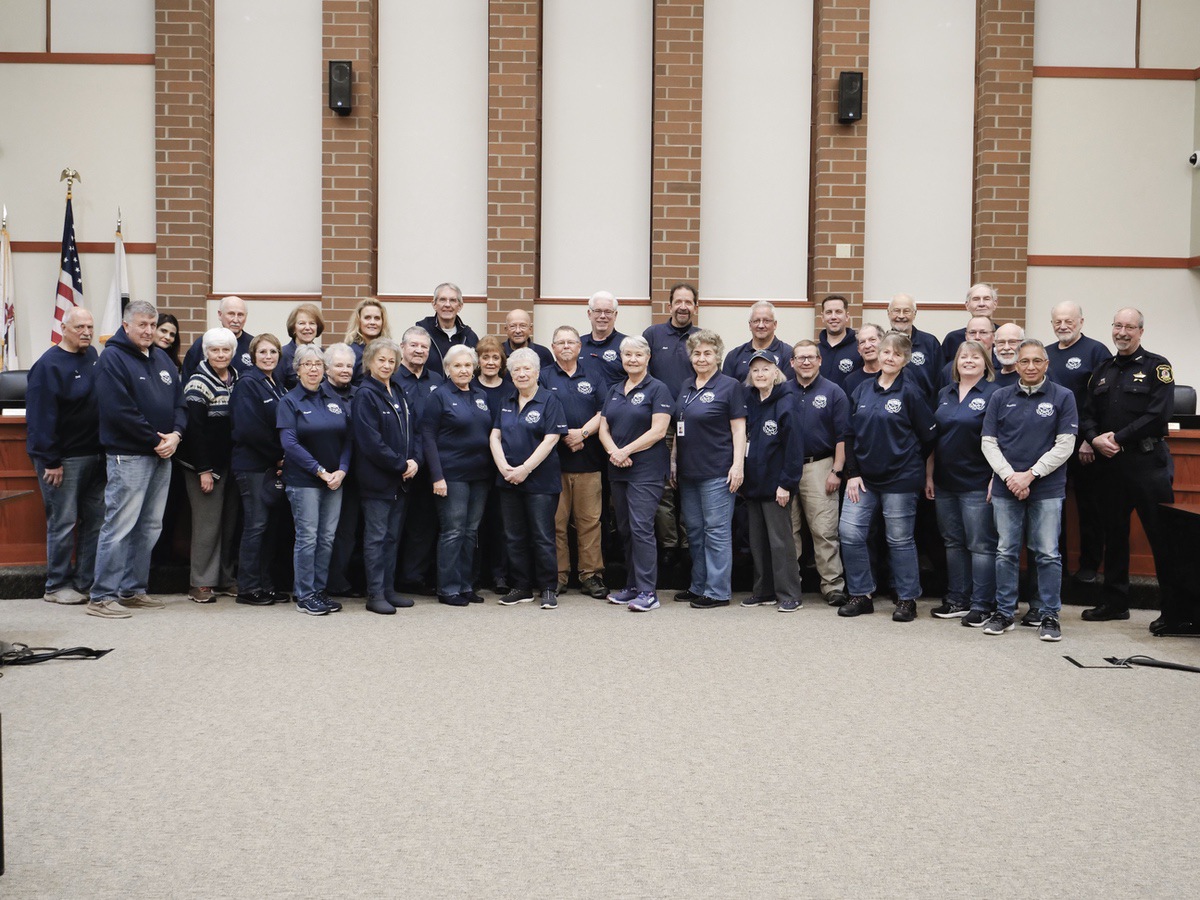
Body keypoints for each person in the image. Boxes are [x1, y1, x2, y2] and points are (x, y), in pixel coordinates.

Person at [1079, 308, 1189, 634]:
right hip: (1110, 467)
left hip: (1147, 464)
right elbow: (1087, 414)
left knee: (1162, 539)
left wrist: (1117, 438)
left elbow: (1159, 415)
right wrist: (1093, 437)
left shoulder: (1158, 367)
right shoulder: (1101, 370)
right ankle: (1115, 603)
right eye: (1118, 326)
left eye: (1129, 326)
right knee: (1114, 537)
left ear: (1141, 331)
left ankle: (1174, 611)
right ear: (1112, 329)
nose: (1122, 332)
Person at [87, 300, 186, 618]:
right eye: (141, 324)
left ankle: (131, 589)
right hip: (129, 457)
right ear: (126, 325)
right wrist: (155, 439)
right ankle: (102, 596)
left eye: (152, 325)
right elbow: (119, 411)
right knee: (120, 525)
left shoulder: (162, 359)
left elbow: (181, 403)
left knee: (149, 526)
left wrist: (177, 435)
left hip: (162, 454)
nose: (148, 330)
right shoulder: (112, 359)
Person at [981, 339, 1076, 641]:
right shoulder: (1000, 396)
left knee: (1047, 553)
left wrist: (1031, 475)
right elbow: (988, 442)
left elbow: (1065, 445)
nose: (1031, 366)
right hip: (1006, 487)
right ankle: (1005, 612)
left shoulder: (1063, 396)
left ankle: (1049, 614)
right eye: (1025, 361)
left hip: (1046, 488)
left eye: (1037, 361)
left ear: (1047, 364)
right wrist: (1011, 477)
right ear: (1016, 364)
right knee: (1005, 552)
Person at [838, 332, 936, 623]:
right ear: (877, 355)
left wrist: (907, 460)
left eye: (896, 354)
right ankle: (861, 594)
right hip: (863, 479)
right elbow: (849, 434)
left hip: (901, 480)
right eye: (885, 352)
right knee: (850, 533)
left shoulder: (912, 392)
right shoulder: (862, 390)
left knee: (899, 539)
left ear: (905, 360)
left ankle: (907, 598)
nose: (889, 357)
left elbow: (929, 436)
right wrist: (852, 473)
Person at [27, 306, 105, 605]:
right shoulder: (48, 366)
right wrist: (51, 461)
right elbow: (40, 418)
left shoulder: (92, 355)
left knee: (96, 520)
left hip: (94, 455)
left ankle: (85, 581)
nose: (86, 332)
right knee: (63, 522)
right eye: (79, 327)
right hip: (62, 460)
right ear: (64, 327)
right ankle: (56, 585)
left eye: (89, 327)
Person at [925, 341, 1001, 625]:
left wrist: (996, 478)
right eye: (963, 357)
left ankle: (983, 604)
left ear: (986, 363)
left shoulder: (995, 393)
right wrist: (929, 475)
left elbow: (1000, 440)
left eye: (975, 357)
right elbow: (934, 436)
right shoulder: (945, 393)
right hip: (945, 482)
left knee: (980, 545)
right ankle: (958, 598)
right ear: (955, 363)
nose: (968, 361)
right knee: (953, 542)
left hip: (978, 482)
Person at [673, 329, 747, 609]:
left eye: (707, 353)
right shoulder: (686, 386)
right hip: (688, 472)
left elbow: (739, 429)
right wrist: (673, 461)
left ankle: (717, 591)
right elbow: (680, 426)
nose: (702, 358)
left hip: (718, 471)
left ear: (717, 355)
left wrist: (737, 466)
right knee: (694, 531)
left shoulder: (729, 386)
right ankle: (698, 585)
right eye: (696, 353)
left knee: (716, 531)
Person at [598, 336, 673, 611]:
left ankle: (647, 592)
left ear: (647, 358)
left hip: (646, 470)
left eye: (638, 355)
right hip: (618, 469)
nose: (632, 359)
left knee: (641, 528)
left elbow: (658, 431)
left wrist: (625, 450)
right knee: (626, 529)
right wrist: (614, 453)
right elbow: (603, 427)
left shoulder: (658, 389)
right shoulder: (615, 389)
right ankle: (631, 586)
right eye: (627, 354)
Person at [277, 344, 352, 616]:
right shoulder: (290, 401)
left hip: (335, 480)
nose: (313, 369)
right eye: (307, 364)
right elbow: (290, 443)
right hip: (305, 481)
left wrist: (342, 470)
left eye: (318, 364)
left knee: (327, 537)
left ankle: (319, 590)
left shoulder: (332, 399)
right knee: (308, 538)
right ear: (297, 369)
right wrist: (320, 471)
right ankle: (305, 594)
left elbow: (347, 438)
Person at [491, 348, 568, 609]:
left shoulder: (549, 400)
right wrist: (503, 466)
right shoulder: (506, 399)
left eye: (527, 369)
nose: (521, 374)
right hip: (508, 479)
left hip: (540, 481)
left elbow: (551, 439)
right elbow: (495, 436)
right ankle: (521, 587)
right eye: (516, 370)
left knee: (542, 535)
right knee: (514, 536)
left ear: (537, 372)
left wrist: (525, 468)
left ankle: (547, 587)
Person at [352, 337, 421, 615]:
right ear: (369, 362)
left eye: (391, 360)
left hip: (401, 480)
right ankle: (375, 593)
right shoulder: (365, 394)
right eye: (381, 359)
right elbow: (370, 442)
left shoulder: (399, 392)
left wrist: (414, 460)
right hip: (378, 480)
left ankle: (389, 589)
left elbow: (413, 430)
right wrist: (400, 464)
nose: (386, 364)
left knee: (392, 537)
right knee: (376, 537)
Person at [421, 344, 493, 606]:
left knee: (471, 531)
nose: (463, 370)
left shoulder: (481, 394)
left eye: (467, 365)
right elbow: (427, 436)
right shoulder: (438, 396)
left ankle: (465, 585)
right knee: (453, 531)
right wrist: (436, 476)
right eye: (457, 366)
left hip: (480, 476)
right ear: (447, 369)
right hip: (451, 475)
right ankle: (448, 588)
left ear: (474, 368)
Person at [1045, 301, 1111, 584]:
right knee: (1052, 507)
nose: (1063, 326)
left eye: (1069, 321)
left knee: (1089, 506)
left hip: (1084, 445)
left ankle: (1089, 565)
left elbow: (1104, 400)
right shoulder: (1045, 354)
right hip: (1051, 445)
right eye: (1058, 321)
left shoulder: (1095, 351)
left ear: (1081, 322)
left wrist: (1089, 439)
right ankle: (1054, 565)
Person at [540, 325, 606, 598]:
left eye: (571, 342)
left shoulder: (594, 374)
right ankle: (558, 576)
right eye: (560, 342)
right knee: (556, 523)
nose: (566, 346)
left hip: (589, 462)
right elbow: (539, 409)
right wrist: (565, 434)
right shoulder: (543, 376)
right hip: (553, 464)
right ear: (553, 347)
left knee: (589, 522)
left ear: (580, 347)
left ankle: (591, 576)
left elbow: (605, 410)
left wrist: (583, 433)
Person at [178, 326, 240, 602]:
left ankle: (225, 579)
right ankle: (200, 583)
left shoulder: (236, 377)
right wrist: (204, 469)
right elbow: (195, 431)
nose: (221, 354)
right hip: (202, 466)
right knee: (207, 524)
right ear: (206, 352)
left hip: (229, 464)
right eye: (214, 350)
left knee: (229, 523)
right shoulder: (197, 383)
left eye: (226, 349)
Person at [787, 339, 849, 607]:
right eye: (800, 357)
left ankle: (832, 586)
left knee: (824, 531)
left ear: (820, 361)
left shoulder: (834, 392)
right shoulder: (782, 391)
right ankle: (790, 585)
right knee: (789, 530)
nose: (806, 362)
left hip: (821, 466)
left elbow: (842, 436)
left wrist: (837, 470)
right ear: (791, 363)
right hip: (787, 467)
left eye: (811, 357)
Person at [741, 352, 804, 611]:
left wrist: (786, 484)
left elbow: (794, 447)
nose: (759, 374)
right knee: (758, 542)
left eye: (765, 369)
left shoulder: (786, 402)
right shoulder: (750, 401)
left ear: (776, 373)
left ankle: (790, 594)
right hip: (753, 484)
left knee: (781, 542)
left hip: (776, 485)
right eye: (755, 370)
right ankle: (763, 590)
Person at [643, 282, 700, 564]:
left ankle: (689, 545)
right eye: (678, 301)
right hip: (660, 423)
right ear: (669, 306)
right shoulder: (653, 335)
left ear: (695, 307)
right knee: (664, 485)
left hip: (695, 424)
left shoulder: (702, 339)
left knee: (689, 483)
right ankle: (668, 546)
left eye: (688, 302)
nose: (683, 307)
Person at [230, 332, 288, 606]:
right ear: (253, 356)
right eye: (263, 352)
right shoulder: (248, 384)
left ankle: (266, 584)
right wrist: (278, 456)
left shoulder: (275, 384)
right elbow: (249, 430)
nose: (268, 357)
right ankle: (248, 587)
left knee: (270, 527)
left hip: (271, 467)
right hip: (253, 466)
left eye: (273, 352)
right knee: (256, 525)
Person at [394, 325, 444, 594]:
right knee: (394, 525)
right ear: (402, 347)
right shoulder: (391, 378)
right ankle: (387, 580)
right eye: (413, 345)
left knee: (423, 525)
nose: (419, 350)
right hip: (397, 465)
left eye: (424, 347)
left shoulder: (436, 379)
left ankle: (413, 578)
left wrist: (422, 461)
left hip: (427, 464)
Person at [323, 343, 362, 599]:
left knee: (348, 531)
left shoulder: (360, 394)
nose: (345, 370)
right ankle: (318, 582)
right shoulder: (317, 394)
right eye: (339, 365)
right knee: (324, 532)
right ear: (327, 368)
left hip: (357, 474)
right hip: (325, 474)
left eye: (349, 365)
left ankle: (338, 580)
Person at [474, 335, 512, 593]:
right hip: (474, 466)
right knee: (474, 524)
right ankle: (474, 576)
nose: (490, 362)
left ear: (502, 361)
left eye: (495, 357)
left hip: (504, 466)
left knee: (501, 523)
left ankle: (500, 575)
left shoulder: (510, 389)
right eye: (485, 357)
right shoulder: (468, 386)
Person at [886, 293, 942, 402]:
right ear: (888, 313)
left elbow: (940, 381)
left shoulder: (930, 343)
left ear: (915, 314)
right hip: (890, 412)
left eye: (906, 311)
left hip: (925, 410)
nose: (901, 316)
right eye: (896, 311)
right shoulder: (882, 344)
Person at [416, 282, 480, 377]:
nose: (447, 304)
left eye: (453, 300)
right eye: (442, 300)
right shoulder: (421, 332)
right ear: (434, 304)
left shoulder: (469, 336)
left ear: (460, 306)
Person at [721, 301, 793, 382]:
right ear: (750, 325)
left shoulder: (788, 354)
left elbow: (790, 388)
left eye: (766, 321)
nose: (761, 325)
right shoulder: (734, 356)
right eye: (756, 321)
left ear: (775, 324)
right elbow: (726, 390)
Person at [183, 295, 254, 376]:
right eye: (231, 314)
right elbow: (187, 376)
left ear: (246, 317)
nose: (235, 320)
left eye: (240, 315)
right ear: (220, 315)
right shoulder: (204, 342)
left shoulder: (254, 345)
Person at [579, 290, 628, 393]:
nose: (602, 316)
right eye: (597, 311)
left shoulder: (627, 345)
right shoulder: (577, 345)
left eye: (608, 312)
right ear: (589, 314)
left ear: (615, 315)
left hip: (615, 407)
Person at [940, 283, 999, 360]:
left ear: (995, 304)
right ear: (967, 305)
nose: (981, 304)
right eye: (976, 299)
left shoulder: (1005, 336)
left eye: (986, 299)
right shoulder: (953, 339)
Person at [817, 294, 860, 388]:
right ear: (822, 317)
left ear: (847, 316)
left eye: (838, 312)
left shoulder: (860, 349)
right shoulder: (815, 352)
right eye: (828, 312)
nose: (833, 317)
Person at [279, 303, 325, 391]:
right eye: (302, 323)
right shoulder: (283, 355)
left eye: (312, 323)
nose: (307, 327)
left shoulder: (323, 354)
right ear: (293, 328)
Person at [344, 297, 391, 383]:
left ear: (382, 322)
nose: (372, 322)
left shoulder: (389, 351)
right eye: (367, 318)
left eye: (377, 318)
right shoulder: (350, 352)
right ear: (359, 321)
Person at [841, 323, 883, 397]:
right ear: (859, 350)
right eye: (862, 342)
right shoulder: (850, 381)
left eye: (872, 340)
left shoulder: (896, 375)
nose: (867, 346)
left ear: (883, 343)